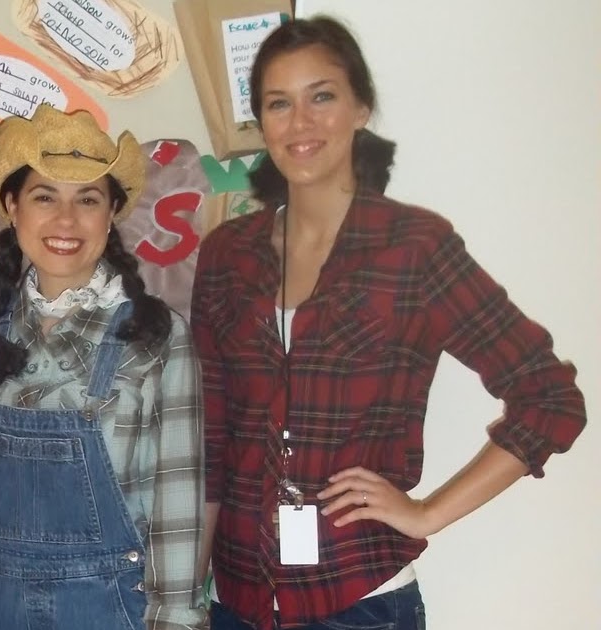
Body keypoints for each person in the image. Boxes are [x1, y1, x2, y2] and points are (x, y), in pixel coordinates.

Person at [189, 16, 587, 630]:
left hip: (361, 598)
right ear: (261, 121)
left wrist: (426, 512)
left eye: (322, 96)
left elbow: (550, 398)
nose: (301, 122)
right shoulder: (226, 254)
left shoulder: (413, 248)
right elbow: (213, 437)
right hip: (235, 599)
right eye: (278, 103)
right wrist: (189, 586)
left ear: (361, 108)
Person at [0, 104, 205, 630]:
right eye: (45, 196)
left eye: (87, 199)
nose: (65, 221)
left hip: (111, 610)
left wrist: (176, 620)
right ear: (11, 204)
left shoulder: (157, 337)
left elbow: (178, 506)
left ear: (111, 212)